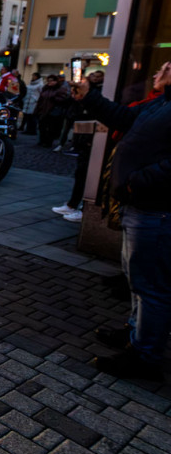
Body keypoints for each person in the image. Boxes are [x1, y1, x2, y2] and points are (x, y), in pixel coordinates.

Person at [71, 62, 171, 382]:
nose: (159, 70)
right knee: (138, 280)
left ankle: (145, 357)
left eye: (167, 67)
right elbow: (127, 119)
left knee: (151, 287)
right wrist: (89, 96)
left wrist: (137, 182)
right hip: (141, 207)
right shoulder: (162, 102)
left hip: (155, 209)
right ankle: (135, 335)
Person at [51, 71, 104, 223]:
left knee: (88, 174)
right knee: (80, 172)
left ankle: (83, 208)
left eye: (96, 76)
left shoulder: (99, 94)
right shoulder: (86, 96)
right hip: (83, 134)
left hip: (94, 137)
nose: (93, 78)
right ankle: (73, 204)